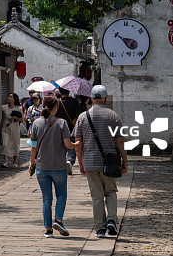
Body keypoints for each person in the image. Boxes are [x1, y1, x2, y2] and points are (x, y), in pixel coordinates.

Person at [73, 84, 128, 238]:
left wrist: (80, 162)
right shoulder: (113, 116)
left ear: (91, 98)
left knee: (96, 196)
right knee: (110, 192)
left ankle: (100, 228)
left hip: (90, 162)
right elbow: (120, 141)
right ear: (105, 98)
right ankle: (111, 220)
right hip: (109, 162)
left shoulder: (83, 117)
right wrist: (125, 161)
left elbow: (78, 141)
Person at [30, 95, 80, 238]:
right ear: (56, 107)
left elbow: (33, 146)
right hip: (58, 166)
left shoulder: (36, 123)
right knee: (62, 195)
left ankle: (47, 229)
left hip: (42, 166)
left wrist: (32, 161)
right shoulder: (61, 123)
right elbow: (67, 145)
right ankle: (58, 220)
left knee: (46, 198)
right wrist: (77, 145)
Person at [54, 87, 80, 175]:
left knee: (61, 145)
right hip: (72, 126)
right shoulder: (74, 102)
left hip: (59, 127)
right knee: (71, 145)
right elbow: (79, 113)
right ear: (68, 91)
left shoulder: (57, 102)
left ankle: (61, 162)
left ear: (60, 92)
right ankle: (70, 161)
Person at [0, 92, 22, 167]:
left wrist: (15, 118)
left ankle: (14, 162)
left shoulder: (18, 108)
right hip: (5, 128)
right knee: (5, 144)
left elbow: (22, 119)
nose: (8, 98)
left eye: (10, 97)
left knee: (15, 144)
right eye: (8, 96)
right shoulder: (4, 107)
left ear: (14, 99)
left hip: (15, 128)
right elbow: (2, 119)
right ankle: (6, 162)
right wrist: (0, 131)